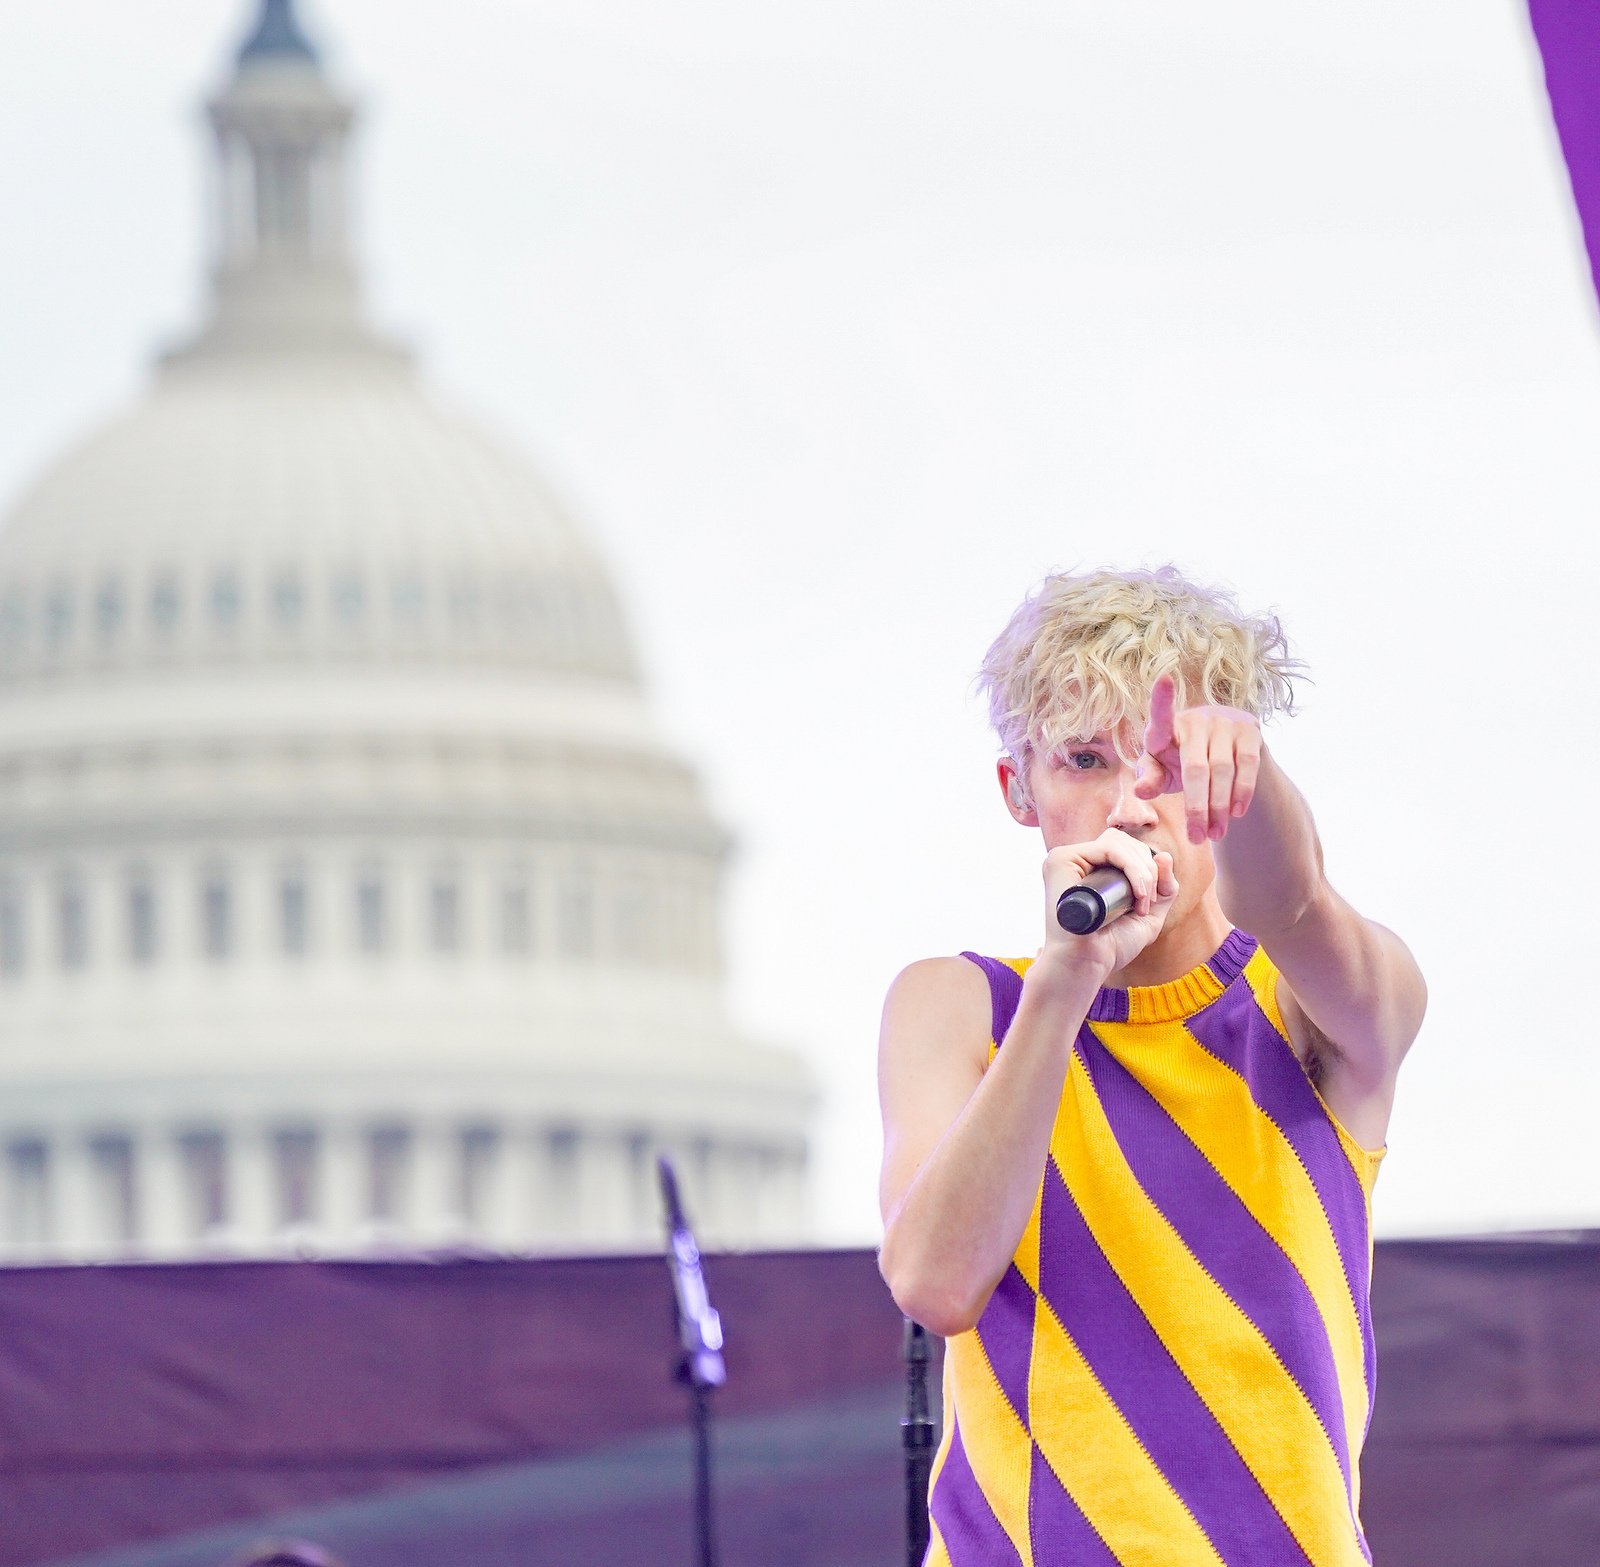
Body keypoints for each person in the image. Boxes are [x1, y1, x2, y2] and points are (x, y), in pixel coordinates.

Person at [877, 567, 1424, 1567]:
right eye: (1084, 760)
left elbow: (1294, 900)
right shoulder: (958, 1005)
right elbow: (934, 1279)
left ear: (1230, 784)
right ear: (1017, 788)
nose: (1130, 805)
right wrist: (1065, 982)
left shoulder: (1307, 1001)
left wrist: (1260, 796)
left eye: (1171, 766)